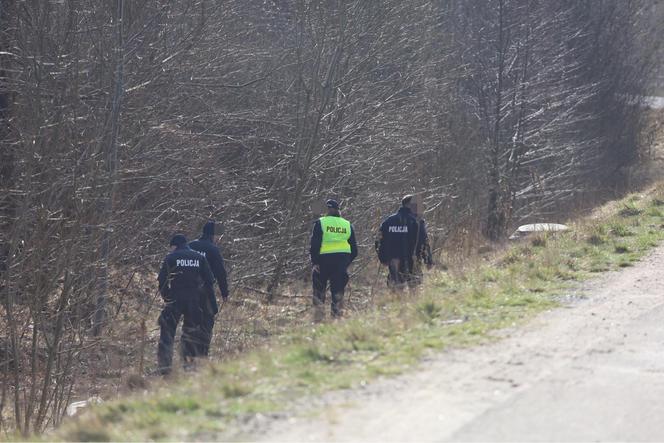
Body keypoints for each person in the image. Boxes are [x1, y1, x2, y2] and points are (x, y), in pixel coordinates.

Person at [157, 234, 214, 375]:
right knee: (191, 333)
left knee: (167, 333)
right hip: (194, 301)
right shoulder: (199, 258)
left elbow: (162, 280)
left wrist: (167, 296)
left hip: (175, 299)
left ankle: (165, 367)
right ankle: (188, 365)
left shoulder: (171, 257)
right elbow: (209, 280)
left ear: (174, 245)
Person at [309, 199, 358, 320]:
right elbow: (354, 249)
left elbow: (315, 244)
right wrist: (346, 262)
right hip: (341, 262)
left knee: (319, 291)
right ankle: (336, 319)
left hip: (323, 262)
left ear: (327, 210)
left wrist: (315, 262)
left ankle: (319, 319)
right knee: (338, 292)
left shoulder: (321, 223)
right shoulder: (347, 224)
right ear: (338, 210)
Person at [189, 221, 230, 357]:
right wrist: (225, 293)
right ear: (212, 235)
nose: (219, 238)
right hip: (205, 292)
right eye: (217, 235)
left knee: (190, 322)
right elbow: (220, 272)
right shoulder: (213, 249)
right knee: (207, 322)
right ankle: (202, 355)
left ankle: (188, 355)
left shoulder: (190, 245)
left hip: (187, 291)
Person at [376, 195, 432, 289]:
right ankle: (412, 304)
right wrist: (428, 261)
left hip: (394, 261)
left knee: (396, 288)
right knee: (414, 290)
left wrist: (383, 259)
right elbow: (423, 242)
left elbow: (379, 241)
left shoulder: (388, 221)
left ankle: (397, 303)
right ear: (410, 205)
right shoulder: (417, 222)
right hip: (413, 261)